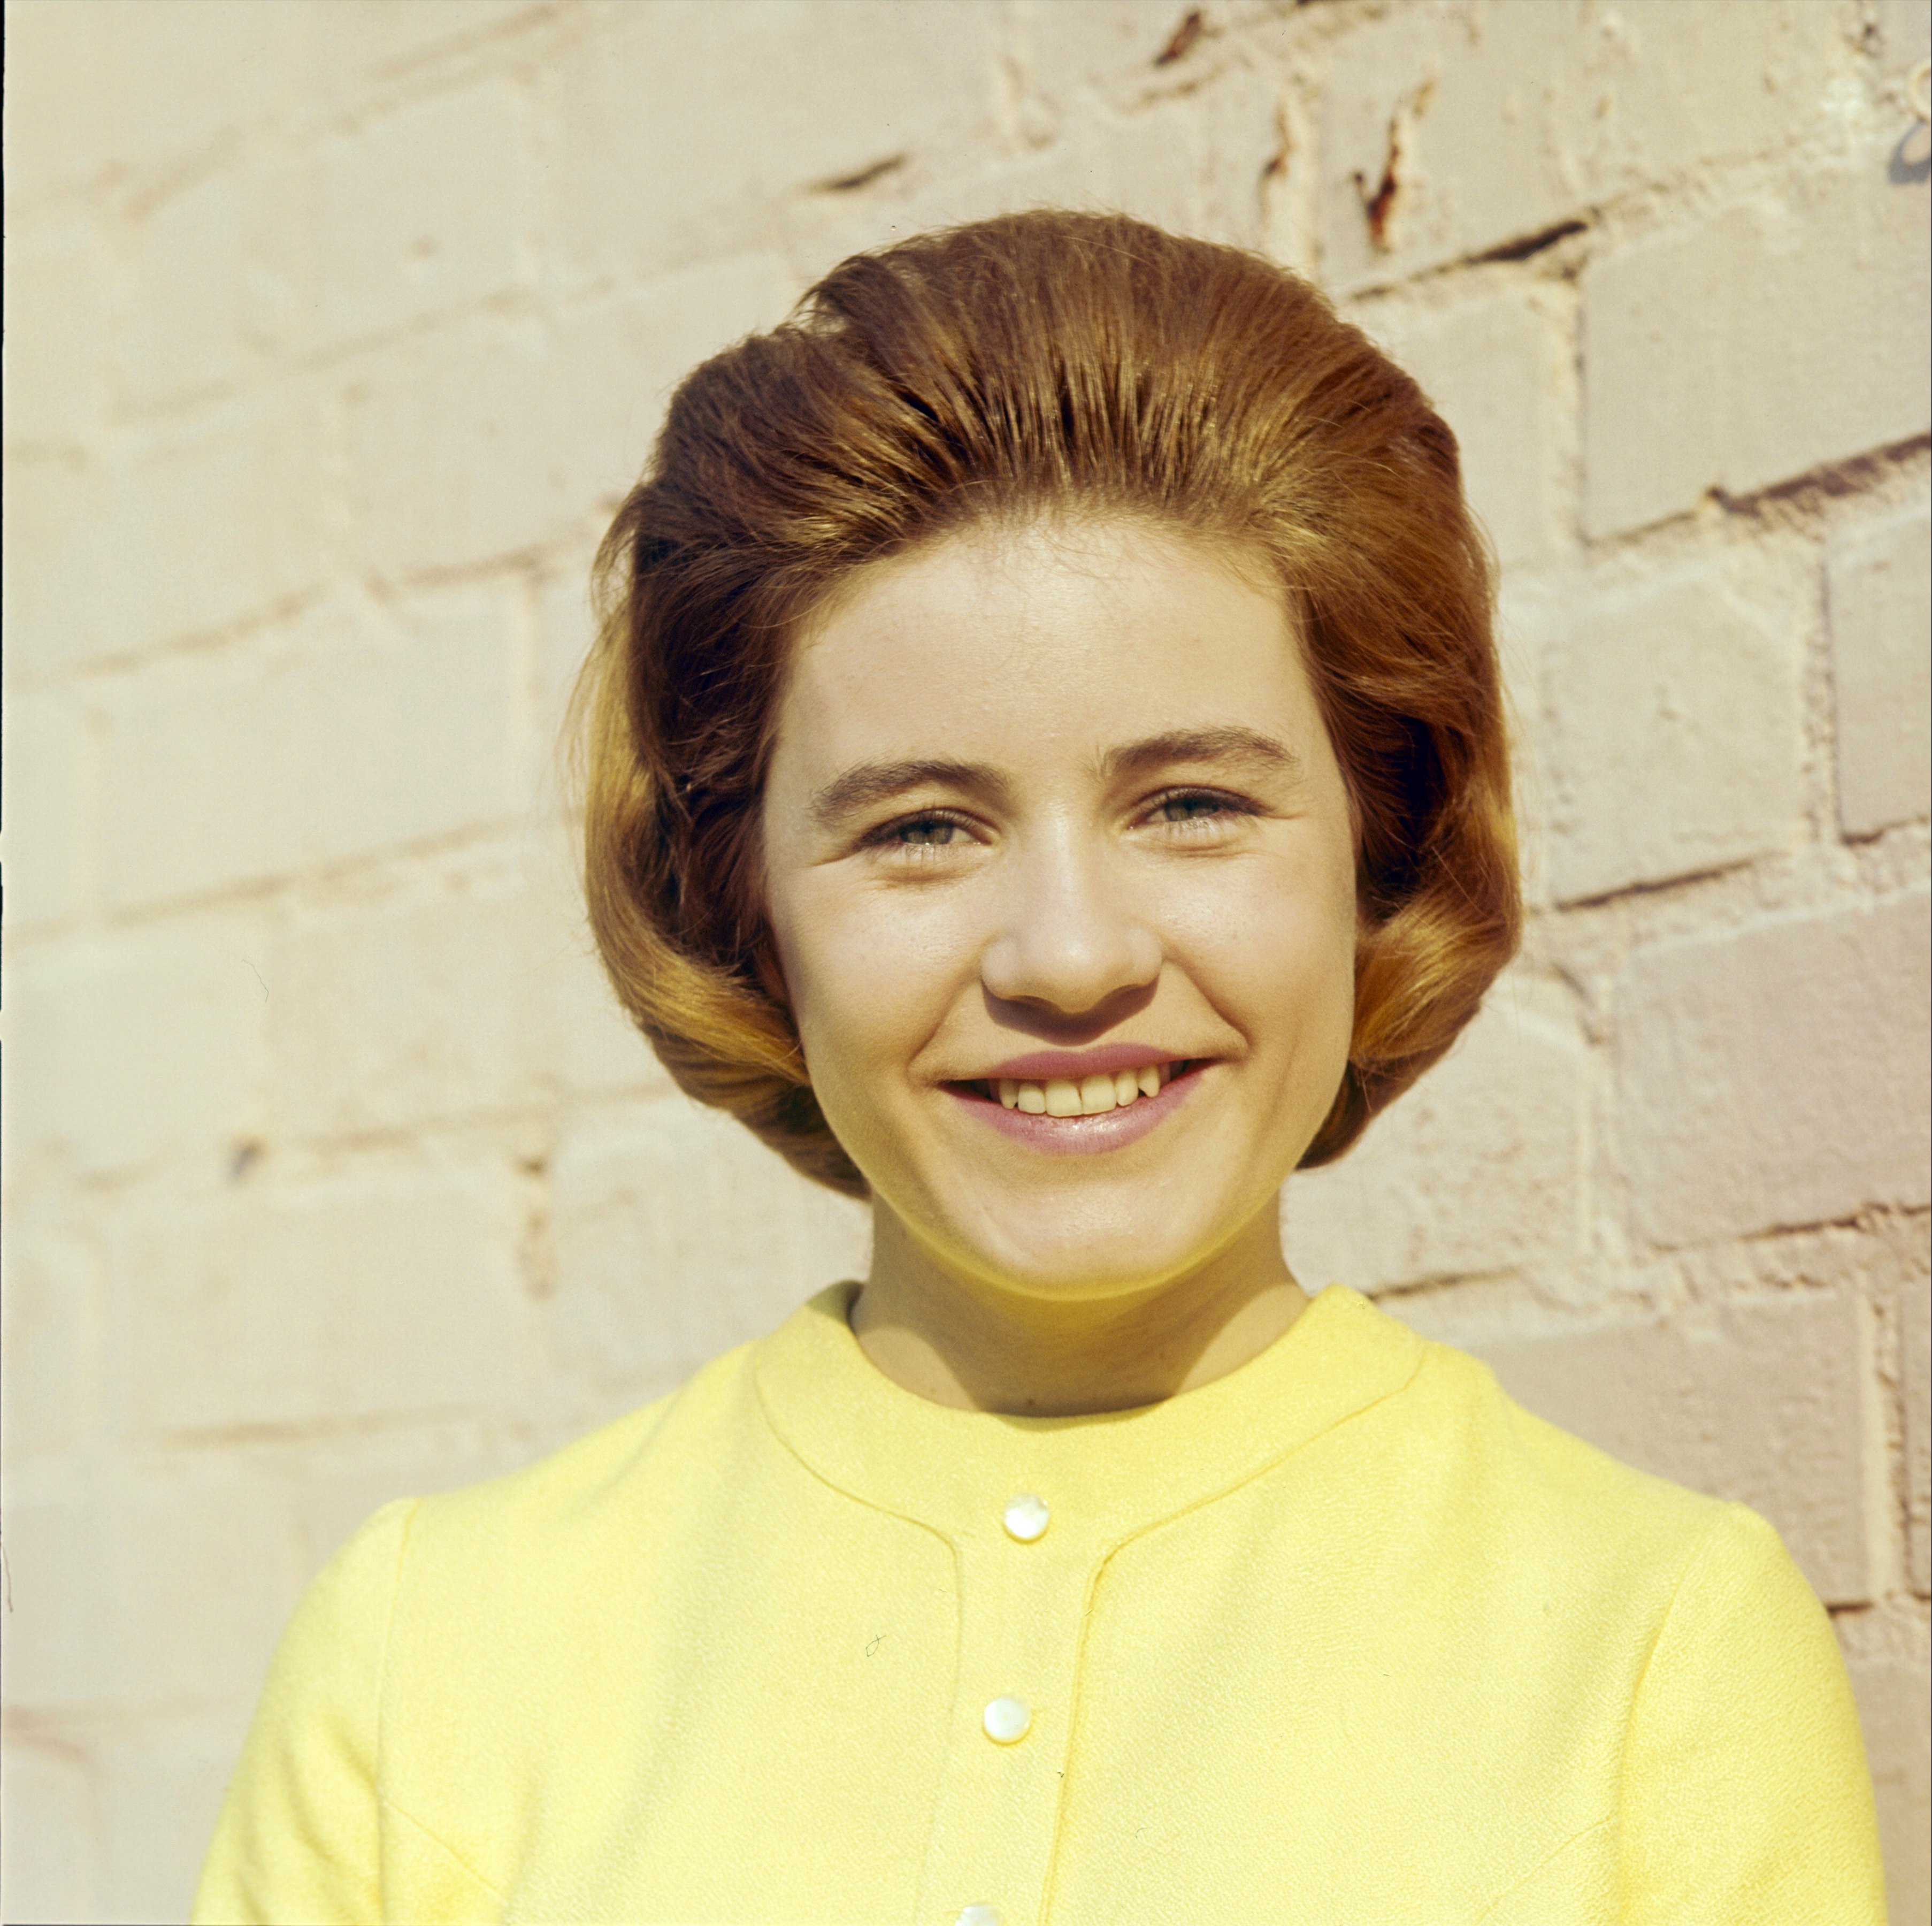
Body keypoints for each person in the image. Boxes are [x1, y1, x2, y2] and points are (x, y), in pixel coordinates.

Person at [191, 211, 1886, 1925]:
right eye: (922, 829)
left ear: (1376, 850)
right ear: (747, 907)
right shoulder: (425, 1661)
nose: (1069, 956)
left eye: (1193, 806)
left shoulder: (1652, 1650)